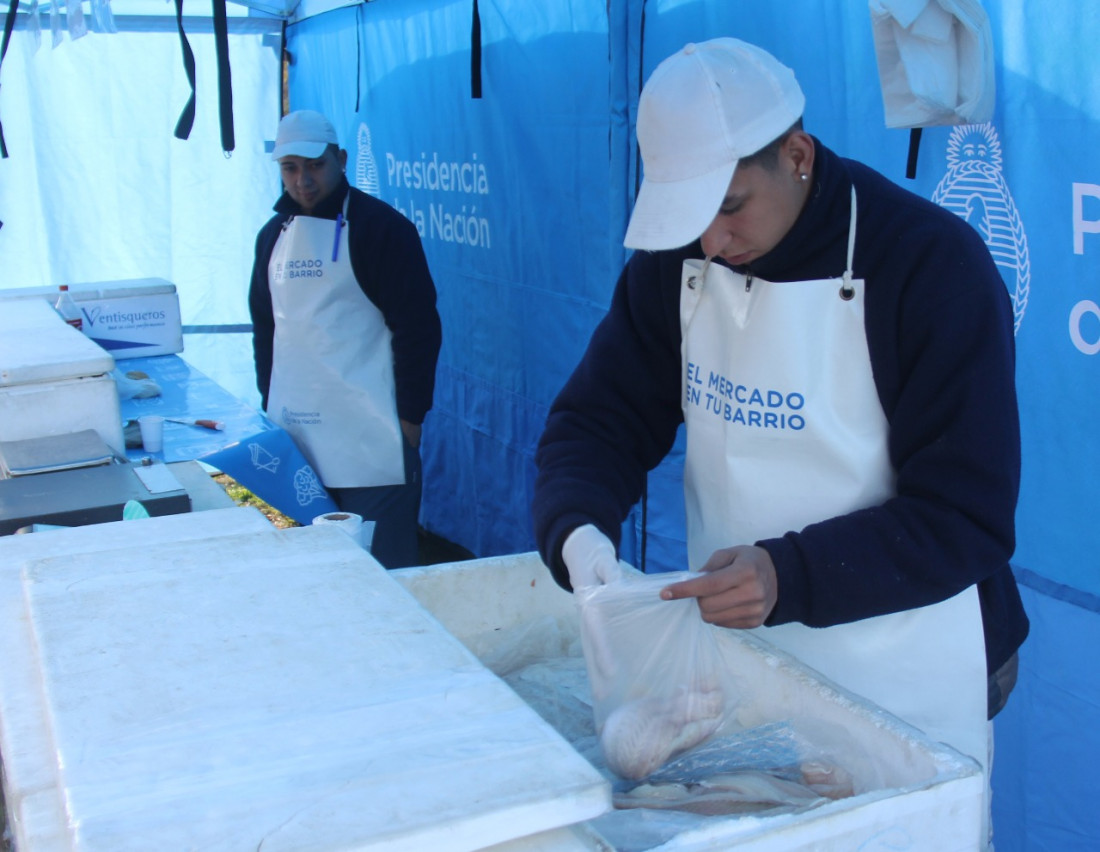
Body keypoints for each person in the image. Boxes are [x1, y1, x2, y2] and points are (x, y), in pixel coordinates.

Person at [532, 37, 1028, 841]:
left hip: (913, 657)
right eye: (690, 216)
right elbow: (598, 420)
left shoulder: (932, 267)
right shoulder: (678, 264)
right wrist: (576, 531)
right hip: (750, 656)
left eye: (729, 207)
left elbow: (965, 516)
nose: (712, 243)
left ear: (797, 155)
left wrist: (786, 573)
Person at [250, 109, 442, 568]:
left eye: (315, 165)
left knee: (383, 571)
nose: (303, 181)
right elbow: (266, 329)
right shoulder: (271, 236)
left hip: (370, 438)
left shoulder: (383, 229)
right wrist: (268, 400)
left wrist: (411, 418)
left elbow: (418, 327)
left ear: (341, 158)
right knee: (314, 570)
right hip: (300, 438)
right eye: (290, 168)